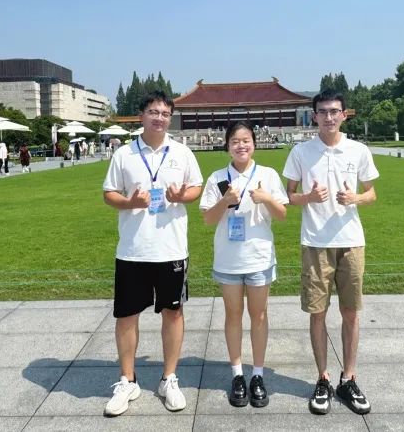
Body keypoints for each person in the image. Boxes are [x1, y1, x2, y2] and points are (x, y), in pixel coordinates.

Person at [101, 90, 203, 417]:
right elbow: (109, 193)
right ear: (141, 115)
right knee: (126, 316)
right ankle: (127, 380)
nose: (159, 118)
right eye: (153, 112)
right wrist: (130, 202)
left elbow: (196, 187)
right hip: (133, 250)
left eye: (165, 113)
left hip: (171, 248)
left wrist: (182, 196)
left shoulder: (182, 152)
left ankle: (168, 378)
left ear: (170, 118)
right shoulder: (125, 154)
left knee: (173, 313)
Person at [282, 89, 379, 416]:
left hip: (351, 241)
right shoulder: (301, 152)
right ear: (314, 116)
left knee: (351, 312)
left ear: (344, 115)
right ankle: (322, 378)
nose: (329, 117)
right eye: (322, 111)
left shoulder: (358, 150)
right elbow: (288, 196)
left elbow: (372, 193)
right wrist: (309, 198)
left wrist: (356, 199)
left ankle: (348, 378)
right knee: (318, 313)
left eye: (334, 111)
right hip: (315, 243)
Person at [199, 120, 288, 409]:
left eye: (246, 140)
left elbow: (282, 214)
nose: (241, 145)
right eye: (235, 141)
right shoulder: (217, 177)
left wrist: (266, 198)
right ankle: (237, 374)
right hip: (228, 259)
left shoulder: (267, 175)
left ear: (254, 143)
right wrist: (225, 201)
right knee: (233, 315)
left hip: (259, 256)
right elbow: (208, 219)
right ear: (227, 145)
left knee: (259, 316)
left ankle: (258, 374)